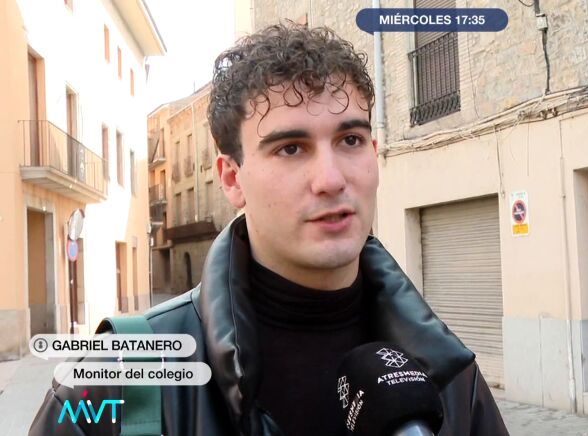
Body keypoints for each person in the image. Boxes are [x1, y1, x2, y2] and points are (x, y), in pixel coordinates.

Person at [29, 22, 508, 436]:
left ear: (374, 155)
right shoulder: (122, 373)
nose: (331, 179)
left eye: (350, 140)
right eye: (290, 149)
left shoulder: (448, 373)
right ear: (232, 178)